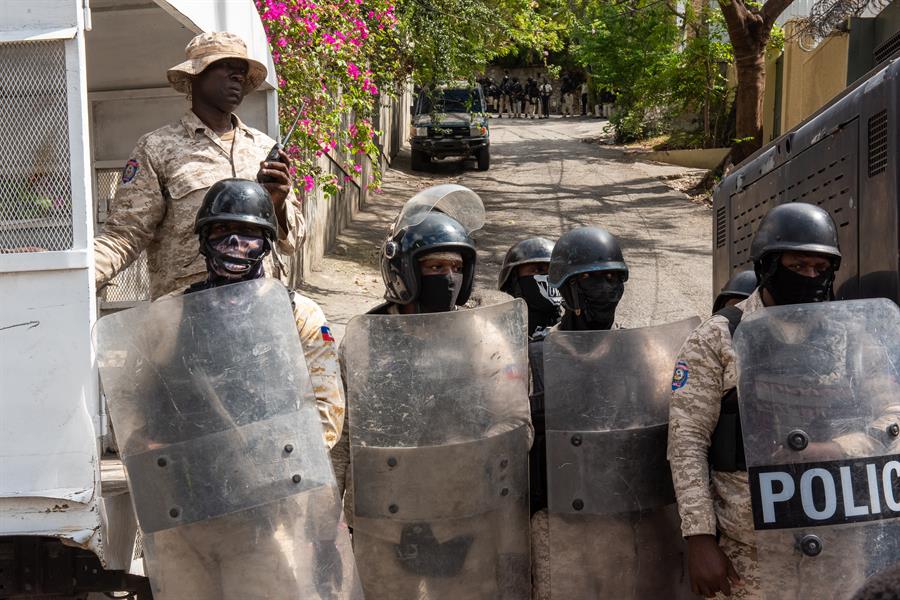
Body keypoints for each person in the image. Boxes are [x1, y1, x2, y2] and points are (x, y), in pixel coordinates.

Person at [102, 178, 350, 599]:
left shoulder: (299, 314)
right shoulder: (168, 314)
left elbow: (326, 410)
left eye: (250, 234)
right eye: (222, 233)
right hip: (183, 509)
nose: (236, 244)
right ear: (203, 239)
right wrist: (149, 445)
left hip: (266, 512)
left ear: (268, 242)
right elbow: (130, 399)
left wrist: (267, 465)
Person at [335, 185, 534, 598]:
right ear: (404, 270)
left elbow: (517, 422)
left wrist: (468, 452)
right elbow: (343, 435)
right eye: (434, 267)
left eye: (455, 267)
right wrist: (326, 519)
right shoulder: (366, 339)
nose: (447, 278)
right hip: (384, 519)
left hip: (461, 515)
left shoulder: (481, 334)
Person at [668, 202, 849, 599]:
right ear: (767, 265)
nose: (811, 277)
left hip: (838, 544)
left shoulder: (847, 336)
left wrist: (840, 447)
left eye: (821, 269)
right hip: (749, 553)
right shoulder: (717, 337)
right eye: (798, 266)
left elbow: (885, 417)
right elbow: (687, 443)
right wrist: (699, 538)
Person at [93, 31, 304, 300]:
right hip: (188, 314)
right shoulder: (158, 148)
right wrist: (73, 274)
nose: (237, 76)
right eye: (225, 66)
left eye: (241, 70)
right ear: (195, 75)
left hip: (259, 310)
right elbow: (124, 235)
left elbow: (293, 243)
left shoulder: (263, 149)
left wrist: (277, 204)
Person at [529, 226, 630, 598]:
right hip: (556, 525)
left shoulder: (639, 354)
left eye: (613, 278)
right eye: (591, 279)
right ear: (566, 286)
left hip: (625, 519)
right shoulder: (534, 360)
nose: (605, 289)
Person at [498, 237, 561, 338]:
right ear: (514, 280)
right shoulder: (500, 331)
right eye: (538, 270)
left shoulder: (571, 326)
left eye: (553, 271)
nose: (548, 277)